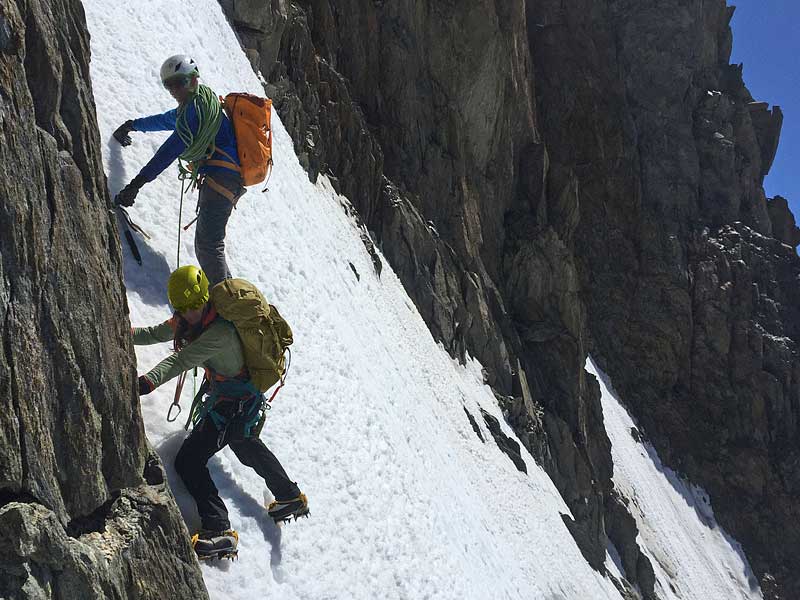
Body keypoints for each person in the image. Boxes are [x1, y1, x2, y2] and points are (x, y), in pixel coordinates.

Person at [133, 265, 308, 557]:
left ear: (204, 298)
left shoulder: (220, 334)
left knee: (188, 461)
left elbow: (181, 361)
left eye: (194, 306)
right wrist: (121, 329)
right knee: (243, 443)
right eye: (183, 308)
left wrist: (145, 383)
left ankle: (219, 529)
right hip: (239, 399)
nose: (189, 313)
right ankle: (289, 496)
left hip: (232, 406)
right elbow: (155, 333)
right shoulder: (190, 319)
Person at [113, 55, 244, 285]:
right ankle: (230, 297)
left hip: (221, 178)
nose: (174, 89)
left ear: (194, 80)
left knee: (208, 245)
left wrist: (137, 184)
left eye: (180, 82)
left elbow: (168, 151)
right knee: (209, 244)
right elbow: (166, 120)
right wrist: (134, 125)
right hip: (225, 178)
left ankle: (227, 306)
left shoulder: (194, 113)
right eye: (169, 84)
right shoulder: (198, 105)